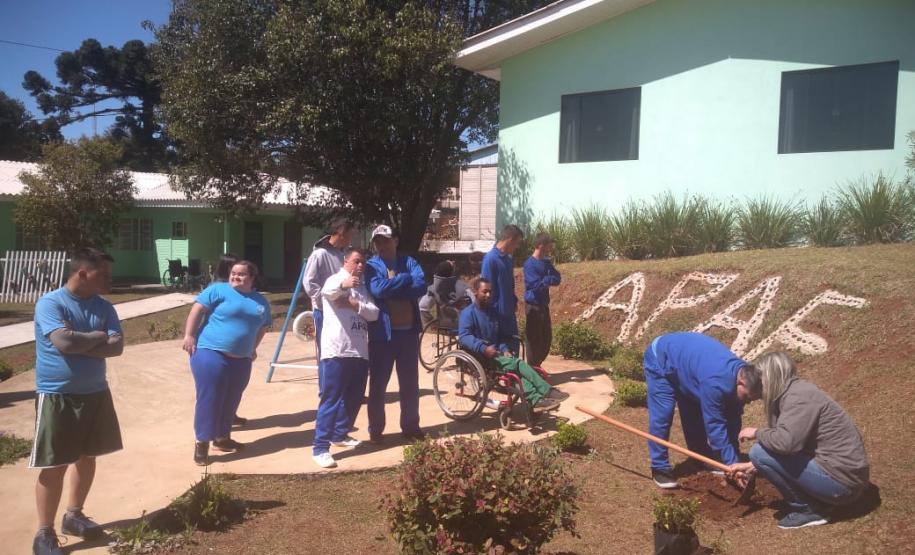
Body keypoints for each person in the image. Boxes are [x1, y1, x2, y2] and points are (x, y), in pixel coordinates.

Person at [30, 248, 125, 555]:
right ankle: (44, 534)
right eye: (104, 274)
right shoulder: (51, 303)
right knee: (55, 464)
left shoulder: (104, 306)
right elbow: (63, 341)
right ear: (83, 273)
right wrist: (97, 337)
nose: (110, 279)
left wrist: (80, 342)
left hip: (95, 392)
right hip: (58, 394)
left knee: (87, 457)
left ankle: (74, 515)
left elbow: (116, 347)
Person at [726, 352, 870, 529]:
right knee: (759, 454)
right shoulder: (795, 392)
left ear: (771, 378)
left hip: (843, 485)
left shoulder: (798, 398)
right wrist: (752, 465)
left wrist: (756, 432)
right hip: (846, 477)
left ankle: (808, 509)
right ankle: (818, 501)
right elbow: (794, 444)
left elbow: (787, 444)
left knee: (758, 451)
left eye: (761, 379)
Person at [643, 331, 762, 489]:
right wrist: (732, 463)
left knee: (693, 412)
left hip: (687, 367)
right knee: (662, 416)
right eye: (747, 397)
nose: (747, 402)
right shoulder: (715, 383)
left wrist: (733, 460)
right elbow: (715, 426)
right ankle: (659, 466)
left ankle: (700, 457)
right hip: (661, 358)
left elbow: (732, 418)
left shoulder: (742, 373)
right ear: (740, 382)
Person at [182, 260, 272, 466]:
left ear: (252, 278)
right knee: (210, 397)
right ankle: (202, 442)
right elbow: (197, 309)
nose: (235, 277)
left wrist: (252, 348)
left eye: (241, 274)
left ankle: (222, 438)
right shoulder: (218, 290)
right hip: (210, 352)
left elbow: (263, 327)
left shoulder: (259, 301)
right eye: (233, 273)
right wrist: (189, 335)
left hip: (241, 359)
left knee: (231, 398)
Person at [313, 247, 379, 468]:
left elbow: (374, 313)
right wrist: (344, 285)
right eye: (356, 261)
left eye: (363, 263)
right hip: (337, 350)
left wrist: (353, 304)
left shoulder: (362, 288)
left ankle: (340, 435)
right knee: (331, 399)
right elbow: (328, 292)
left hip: (359, 351)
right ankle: (320, 448)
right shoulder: (336, 279)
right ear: (346, 261)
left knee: (355, 397)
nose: (360, 266)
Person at [458, 277, 566, 412]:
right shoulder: (468, 313)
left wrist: (505, 348)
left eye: (490, 292)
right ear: (475, 292)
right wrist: (483, 348)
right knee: (518, 364)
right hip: (482, 356)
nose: (488, 295)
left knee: (516, 372)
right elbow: (464, 336)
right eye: (484, 292)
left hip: (498, 354)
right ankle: (546, 391)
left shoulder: (493, 312)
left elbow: (501, 336)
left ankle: (536, 400)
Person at [365, 225, 428, 444]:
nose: (381, 245)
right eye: (378, 242)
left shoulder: (409, 262)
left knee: (410, 385)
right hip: (382, 336)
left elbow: (421, 286)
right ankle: (376, 429)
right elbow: (378, 290)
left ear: (396, 241)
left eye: (385, 240)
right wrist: (404, 279)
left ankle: (411, 427)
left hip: (408, 334)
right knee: (378, 386)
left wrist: (395, 284)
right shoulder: (371, 266)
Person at [302, 217, 356, 395]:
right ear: (341, 233)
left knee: (344, 349)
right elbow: (309, 283)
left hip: (344, 310)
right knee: (327, 351)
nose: (351, 238)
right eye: (350, 234)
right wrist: (324, 301)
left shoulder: (344, 254)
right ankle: (326, 391)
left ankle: (343, 388)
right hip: (325, 312)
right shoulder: (320, 254)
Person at [205, 253, 248, 427]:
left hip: (233, 345)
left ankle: (229, 414)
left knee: (232, 385)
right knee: (220, 385)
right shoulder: (218, 288)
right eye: (235, 268)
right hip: (217, 342)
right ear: (228, 269)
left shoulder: (232, 287)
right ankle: (218, 421)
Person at [523, 232, 561, 368]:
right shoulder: (529, 264)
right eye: (549, 245)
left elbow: (557, 278)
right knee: (534, 339)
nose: (551, 248)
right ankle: (533, 368)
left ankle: (537, 364)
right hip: (533, 306)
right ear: (540, 245)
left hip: (544, 305)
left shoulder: (546, 263)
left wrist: (546, 280)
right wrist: (546, 279)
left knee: (546, 338)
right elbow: (534, 285)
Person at [481, 224, 524, 343]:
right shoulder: (490, 259)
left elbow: (510, 285)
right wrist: (492, 314)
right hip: (497, 316)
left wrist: (513, 301)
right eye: (517, 243)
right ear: (510, 240)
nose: (517, 247)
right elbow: (486, 289)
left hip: (509, 315)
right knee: (501, 353)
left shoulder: (508, 259)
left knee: (514, 348)